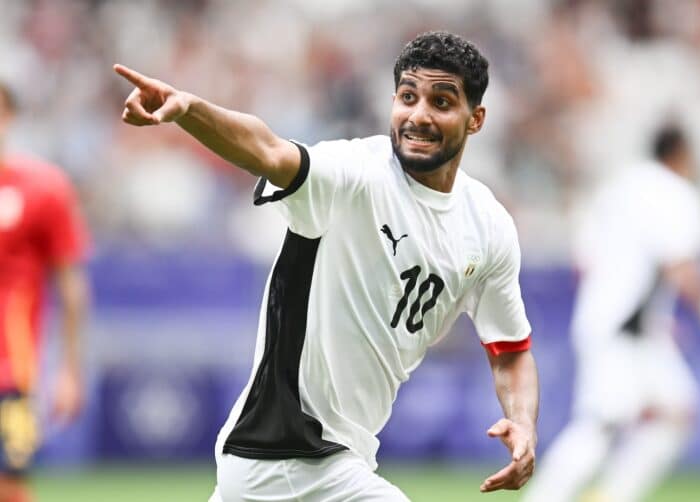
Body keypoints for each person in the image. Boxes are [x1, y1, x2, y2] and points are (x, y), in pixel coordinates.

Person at [115, 31, 539, 501]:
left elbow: (510, 350)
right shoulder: (355, 174)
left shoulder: (487, 225)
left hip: (331, 458)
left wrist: (522, 422)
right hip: (285, 453)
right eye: (408, 97)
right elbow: (269, 150)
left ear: (475, 119)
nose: (419, 115)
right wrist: (190, 110)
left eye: (441, 102)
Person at [522, 123, 700, 502]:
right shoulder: (673, 191)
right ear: (682, 155)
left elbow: (584, 261)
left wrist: (650, 316)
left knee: (677, 411)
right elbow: (680, 266)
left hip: (627, 325)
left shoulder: (619, 188)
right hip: (622, 328)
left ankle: (611, 497)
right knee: (601, 425)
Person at [0, 81, 90, 502]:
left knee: (9, 485)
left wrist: (69, 370)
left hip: (10, 369)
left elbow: (71, 285)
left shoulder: (44, 188)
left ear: (9, 117)